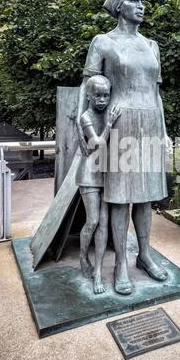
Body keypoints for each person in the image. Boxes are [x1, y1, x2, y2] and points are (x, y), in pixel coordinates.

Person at [77, 0, 169, 296]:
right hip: (120, 124)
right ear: (119, 6)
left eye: (144, 0)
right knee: (119, 197)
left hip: (150, 123)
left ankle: (144, 254)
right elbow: (87, 84)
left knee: (146, 196)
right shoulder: (103, 42)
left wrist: (165, 133)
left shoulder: (152, 45)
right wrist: (81, 121)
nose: (141, 5)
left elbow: (156, 94)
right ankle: (119, 267)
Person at [76, 75, 121, 294]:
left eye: (106, 95)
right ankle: (83, 257)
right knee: (92, 221)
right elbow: (97, 143)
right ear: (89, 96)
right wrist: (110, 125)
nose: (102, 100)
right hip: (89, 175)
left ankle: (98, 272)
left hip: (105, 174)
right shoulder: (86, 117)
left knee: (103, 224)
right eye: (98, 96)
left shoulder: (108, 111)